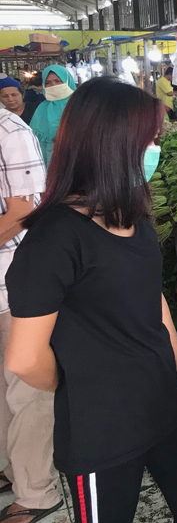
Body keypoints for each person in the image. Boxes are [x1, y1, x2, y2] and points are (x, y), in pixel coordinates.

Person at [5, 78, 177, 523]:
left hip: (163, 405)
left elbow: (152, 300)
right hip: (102, 429)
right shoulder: (55, 238)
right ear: (114, 145)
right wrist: (79, 387)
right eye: (151, 139)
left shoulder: (133, 218)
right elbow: (24, 358)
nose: (154, 149)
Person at [0, 107, 57, 523]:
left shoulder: (8, 129)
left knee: (26, 390)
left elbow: (22, 211)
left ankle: (37, 492)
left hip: (11, 285)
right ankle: (10, 469)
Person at [30, 66, 76, 167]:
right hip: (49, 164)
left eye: (57, 81)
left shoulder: (80, 105)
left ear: (68, 81)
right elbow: (34, 142)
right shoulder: (42, 109)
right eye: (48, 83)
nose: (53, 85)